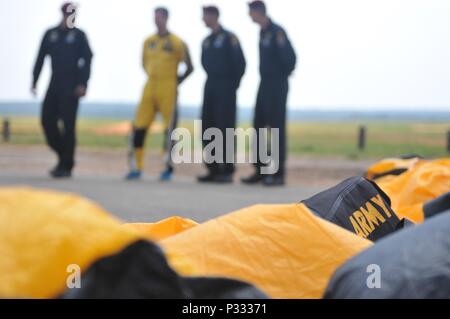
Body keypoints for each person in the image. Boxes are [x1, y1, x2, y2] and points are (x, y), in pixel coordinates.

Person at [126, 7, 193, 181]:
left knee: (169, 129)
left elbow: (190, 66)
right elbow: (143, 63)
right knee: (139, 126)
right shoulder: (148, 41)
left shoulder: (178, 42)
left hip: (168, 87)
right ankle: (136, 167)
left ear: (166, 18)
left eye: (160, 17)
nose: (157, 20)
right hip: (150, 85)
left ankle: (167, 167)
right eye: (155, 17)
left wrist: (177, 81)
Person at [32, 2, 93, 178]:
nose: (70, 16)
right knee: (47, 121)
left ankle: (65, 166)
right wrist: (34, 81)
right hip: (54, 84)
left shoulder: (80, 36)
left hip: (72, 87)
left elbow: (87, 61)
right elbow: (40, 58)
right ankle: (64, 156)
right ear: (62, 13)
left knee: (68, 126)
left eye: (73, 13)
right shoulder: (51, 34)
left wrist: (83, 84)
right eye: (67, 13)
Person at [241, 0, 296, 186]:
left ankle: (278, 174)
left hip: (277, 84)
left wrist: (280, 76)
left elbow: (290, 58)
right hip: (264, 83)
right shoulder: (262, 32)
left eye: (251, 12)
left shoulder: (277, 32)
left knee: (276, 129)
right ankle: (261, 170)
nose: (249, 16)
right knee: (258, 125)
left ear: (258, 12)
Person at [198, 6, 246, 183]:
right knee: (208, 126)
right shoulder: (207, 41)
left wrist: (232, 85)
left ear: (214, 16)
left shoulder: (229, 38)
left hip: (226, 86)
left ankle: (226, 170)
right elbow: (204, 63)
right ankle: (213, 169)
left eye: (205, 16)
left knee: (224, 128)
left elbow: (240, 64)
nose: (203, 19)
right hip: (210, 85)